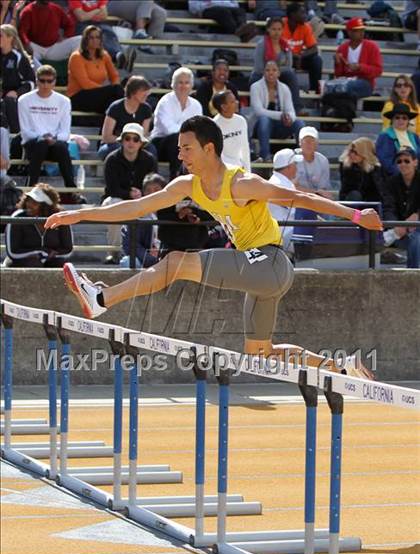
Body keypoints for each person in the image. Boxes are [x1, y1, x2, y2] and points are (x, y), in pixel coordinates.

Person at [45, 115, 382, 378]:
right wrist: (80, 214)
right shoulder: (188, 184)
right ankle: (341, 368)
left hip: (271, 262)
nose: (179, 155)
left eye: (186, 148)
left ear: (209, 148)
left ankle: (101, 299)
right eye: (178, 148)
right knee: (260, 354)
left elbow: (299, 196)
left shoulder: (243, 183)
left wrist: (354, 215)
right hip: (257, 272)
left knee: (176, 261)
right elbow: (135, 208)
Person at [102, 123, 157, 264]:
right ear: (122, 141)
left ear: (141, 143)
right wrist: (129, 193)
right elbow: (111, 188)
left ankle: (151, 251)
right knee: (113, 206)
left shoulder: (149, 159)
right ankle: (114, 253)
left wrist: (141, 195)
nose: (131, 142)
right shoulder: (111, 159)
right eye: (127, 138)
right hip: (117, 198)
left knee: (155, 208)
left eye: (135, 139)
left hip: (143, 199)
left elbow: (154, 184)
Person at [17, 65, 77, 192]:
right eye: (42, 81)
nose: (45, 85)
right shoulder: (24, 100)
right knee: (41, 144)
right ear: (37, 80)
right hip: (33, 144)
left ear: (54, 82)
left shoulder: (64, 101)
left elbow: (65, 132)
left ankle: (72, 190)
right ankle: (31, 188)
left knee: (61, 147)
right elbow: (25, 132)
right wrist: (43, 137)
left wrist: (54, 139)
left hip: (55, 144)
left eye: (49, 81)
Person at [150, 67, 202, 179]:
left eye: (187, 83)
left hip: (186, 144)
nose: (183, 86)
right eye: (180, 82)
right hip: (161, 143)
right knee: (176, 139)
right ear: (173, 85)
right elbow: (168, 129)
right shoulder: (165, 102)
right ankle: (176, 178)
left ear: (191, 86)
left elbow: (198, 130)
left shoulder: (196, 105)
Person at [5, 183, 73, 267]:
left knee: (63, 265)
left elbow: (68, 249)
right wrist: (40, 252)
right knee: (34, 263)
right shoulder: (17, 218)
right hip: (20, 261)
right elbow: (13, 252)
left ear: (46, 206)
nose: (29, 204)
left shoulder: (60, 218)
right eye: (28, 200)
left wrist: (52, 254)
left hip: (50, 260)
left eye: (35, 202)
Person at [250, 60, 305, 161]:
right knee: (264, 119)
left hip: (280, 126)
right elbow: (258, 111)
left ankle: (302, 155)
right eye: (267, 70)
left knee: (299, 123)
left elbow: (291, 112)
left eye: (274, 70)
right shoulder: (255, 87)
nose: (271, 72)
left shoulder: (284, 88)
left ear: (279, 73)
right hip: (260, 127)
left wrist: (289, 118)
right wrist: (281, 115)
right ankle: (265, 155)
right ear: (263, 72)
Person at [67, 25, 124, 115]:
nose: (95, 40)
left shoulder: (104, 55)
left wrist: (114, 86)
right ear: (85, 40)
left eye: (97, 37)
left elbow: (114, 75)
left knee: (113, 100)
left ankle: (109, 127)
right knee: (115, 93)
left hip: (98, 95)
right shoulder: (76, 57)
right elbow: (85, 83)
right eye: (91, 38)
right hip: (78, 96)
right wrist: (108, 90)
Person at [250, 16, 302, 114]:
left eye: (279, 29)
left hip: (279, 75)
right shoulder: (261, 45)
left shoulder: (285, 45)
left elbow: (289, 66)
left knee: (290, 75)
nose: (276, 32)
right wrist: (272, 71)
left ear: (282, 30)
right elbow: (259, 67)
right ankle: (260, 108)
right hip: (261, 74)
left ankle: (295, 109)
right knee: (256, 79)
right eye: (274, 29)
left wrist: (274, 71)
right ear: (268, 29)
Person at [68, 0, 134, 70]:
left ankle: (118, 55)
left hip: (98, 23)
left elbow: (104, 15)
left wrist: (88, 14)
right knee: (96, 35)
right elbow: (81, 17)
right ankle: (119, 60)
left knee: (109, 32)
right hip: (80, 25)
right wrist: (97, 10)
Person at [382, 147, 420, 268]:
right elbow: (388, 207)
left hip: (417, 227)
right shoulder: (391, 182)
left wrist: (417, 215)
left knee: (415, 239)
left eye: (406, 161)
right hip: (399, 228)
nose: (402, 164)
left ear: (415, 162)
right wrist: (397, 224)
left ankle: (413, 275)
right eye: (399, 161)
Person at [98, 75, 153, 160]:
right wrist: (127, 141)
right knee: (120, 149)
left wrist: (133, 143)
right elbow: (106, 137)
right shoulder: (115, 107)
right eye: (143, 91)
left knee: (151, 149)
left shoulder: (146, 109)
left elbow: (143, 135)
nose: (146, 94)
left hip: (137, 143)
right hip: (114, 143)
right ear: (133, 91)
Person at [119, 173, 162, 269]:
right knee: (128, 261)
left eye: (156, 190)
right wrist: (151, 259)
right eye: (148, 191)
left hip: (166, 259)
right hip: (145, 259)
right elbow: (130, 245)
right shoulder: (135, 214)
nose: (152, 194)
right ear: (143, 193)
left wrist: (161, 254)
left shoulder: (171, 213)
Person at [334, 17, 383, 100]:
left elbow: (378, 71)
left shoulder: (372, 47)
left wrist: (360, 67)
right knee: (334, 88)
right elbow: (339, 75)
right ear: (349, 32)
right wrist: (337, 63)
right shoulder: (342, 48)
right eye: (357, 30)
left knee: (345, 88)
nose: (361, 33)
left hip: (365, 83)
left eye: (362, 30)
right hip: (346, 81)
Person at [281, 2, 323, 93]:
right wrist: (292, 56)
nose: (305, 15)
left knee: (317, 60)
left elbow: (314, 48)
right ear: (293, 15)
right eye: (302, 13)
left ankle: (314, 91)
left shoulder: (306, 26)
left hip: (299, 59)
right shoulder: (280, 24)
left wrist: (300, 56)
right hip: (283, 59)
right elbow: (275, 47)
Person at [1, 23, 35, 133]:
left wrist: (17, 92)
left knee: (9, 101)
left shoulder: (19, 57)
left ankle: (15, 135)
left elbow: (31, 82)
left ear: (10, 38)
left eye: (1, 36)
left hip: (14, 96)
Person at [267, 148, 302, 254]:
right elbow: (298, 211)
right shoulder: (279, 184)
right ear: (289, 167)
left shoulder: (282, 181)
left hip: (284, 231)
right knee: (318, 233)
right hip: (283, 234)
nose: (297, 167)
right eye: (295, 164)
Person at [376, 104, 420, 176]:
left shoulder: (414, 136)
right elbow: (386, 161)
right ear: (392, 119)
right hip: (395, 177)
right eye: (397, 117)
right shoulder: (385, 136)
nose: (401, 120)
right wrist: (405, 174)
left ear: (408, 120)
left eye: (404, 118)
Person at [212, 90, 250, 172]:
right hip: (223, 169)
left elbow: (245, 148)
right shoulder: (214, 125)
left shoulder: (241, 120)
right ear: (224, 107)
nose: (237, 102)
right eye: (233, 101)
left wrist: (248, 171)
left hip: (239, 167)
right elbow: (217, 154)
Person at [339, 137, 385, 202]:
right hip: (351, 202)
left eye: (356, 152)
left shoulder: (375, 168)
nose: (352, 155)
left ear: (365, 153)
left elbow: (379, 192)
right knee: (355, 195)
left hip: (370, 202)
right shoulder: (346, 166)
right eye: (351, 151)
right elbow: (346, 190)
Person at [295, 126, 331, 198]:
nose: (308, 143)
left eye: (312, 140)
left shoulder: (323, 161)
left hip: (316, 199)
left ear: (317, 143)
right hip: (297, 198)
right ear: (300, 143)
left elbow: (323, 188)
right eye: (305, 140)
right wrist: (314, 192)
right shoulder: (292, 159)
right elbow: (293, 188)